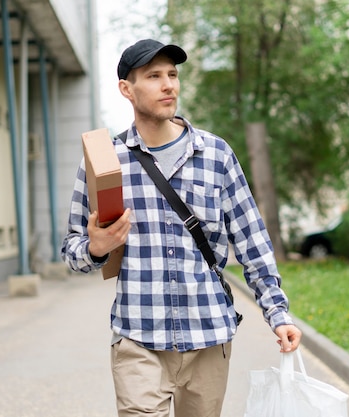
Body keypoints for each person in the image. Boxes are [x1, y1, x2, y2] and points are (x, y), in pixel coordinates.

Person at [61, 39, 302, 417]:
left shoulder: (216, 155)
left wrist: (278, 314)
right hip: (139, 340)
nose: (168, 84)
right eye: (154, 76)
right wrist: (96, 247)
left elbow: (251, 240)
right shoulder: (106, 162)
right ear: (127, 88)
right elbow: (72, 251)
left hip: (208, 338)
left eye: (172, 75)